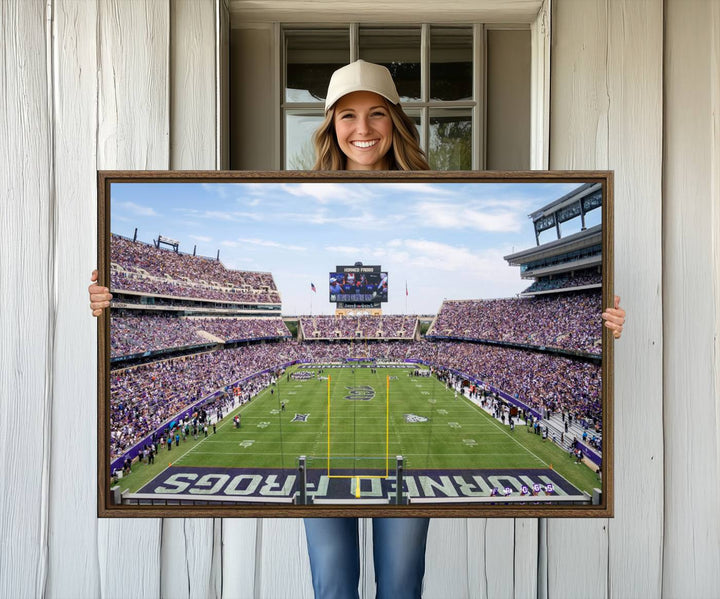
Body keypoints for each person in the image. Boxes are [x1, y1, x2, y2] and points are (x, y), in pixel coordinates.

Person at [87, 59, 627, 599]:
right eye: (347, 116)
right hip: (323, 468)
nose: (362, 129)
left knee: (400, 583)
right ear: (330, 126)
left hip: (401, 471)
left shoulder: (435, 193)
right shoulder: (300, 193)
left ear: (395, 120)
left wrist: (598, 321)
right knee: (333, 583)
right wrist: (111, 301)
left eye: (375, 114)